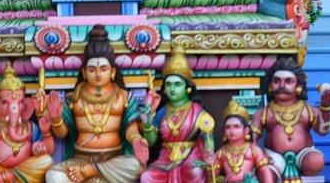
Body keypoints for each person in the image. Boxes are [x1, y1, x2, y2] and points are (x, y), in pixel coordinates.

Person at [40, 25, 148, 183]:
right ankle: (90, 171)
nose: (98, 74)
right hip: (80, 160)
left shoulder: (124, 97)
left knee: (136, 165)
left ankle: (92, 171)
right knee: (53, 176)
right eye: (91, 70)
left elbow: (130, 130)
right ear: (84, 72)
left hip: (114, 161)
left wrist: (137, 139)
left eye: (103, 69)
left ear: (112, 72)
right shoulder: (73, 99)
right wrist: (56, 118)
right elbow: (62, 134)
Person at [252, 58, 330, 181]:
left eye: (288, 81)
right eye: (276, 81)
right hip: (273, 155)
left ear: (298, 86)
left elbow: (323, 131)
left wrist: (325, 107)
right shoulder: (264, 112)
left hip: (304, 153)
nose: (282, 86)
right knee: (264, 172)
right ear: (269, 86)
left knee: (315, 161)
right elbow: (251, 137)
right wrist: (254, 155)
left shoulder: (307, 109)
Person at [139, 43, 217, 183]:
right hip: (165, 159)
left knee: (196, 171)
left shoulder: (197, 111)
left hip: (191, 157)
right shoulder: (162, 111)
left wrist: (209, 153)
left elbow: (207, 137)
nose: (172, 89)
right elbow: (150, 142)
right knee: (147, 177)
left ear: (188, 88)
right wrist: (147, 120)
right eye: (168, 85)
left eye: (177, 84)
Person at [215, 101, 272, 183]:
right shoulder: (221, 152)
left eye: (236, 127)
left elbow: (265, 171)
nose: (232, 131)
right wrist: (211, 164)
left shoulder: (253, 150)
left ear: (246, 130)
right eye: (228, 127)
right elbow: (213, 174)